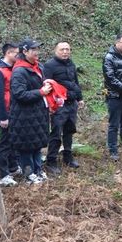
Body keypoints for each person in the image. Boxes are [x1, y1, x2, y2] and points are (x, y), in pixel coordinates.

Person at [10, 39, 52, 184]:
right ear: (24, 52)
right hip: (24, 115)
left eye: (37, 49)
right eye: (33, 49)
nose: (37, 52)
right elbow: (19, 94)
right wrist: (41, 92)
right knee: (26, 146)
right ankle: (28, 174)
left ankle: (38, 170)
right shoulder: (19, 71)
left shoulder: (37, 67)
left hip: (38, 113)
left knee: (37, 143)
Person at [43, 40, 84, 174]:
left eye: (67, 49)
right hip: (59, 105)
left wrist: (80, 98)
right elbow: (46, 85)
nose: (65, 52)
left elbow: (75, 81)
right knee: (56, 132)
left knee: (69, 131)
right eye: (62, 49)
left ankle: (67, 156)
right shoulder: (49, 65)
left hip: (72, 103)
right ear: (56, 51)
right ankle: (51, 160)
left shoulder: (71, 63)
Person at [0, 41, 21, 187]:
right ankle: (3, 174)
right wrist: (2, 116)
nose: (19, 56)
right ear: (9, 53)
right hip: (5, 112)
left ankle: (13, 167)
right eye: (17, 54)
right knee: (4, 144)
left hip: (14, 110)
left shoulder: (13, 68)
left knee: (13, 141)